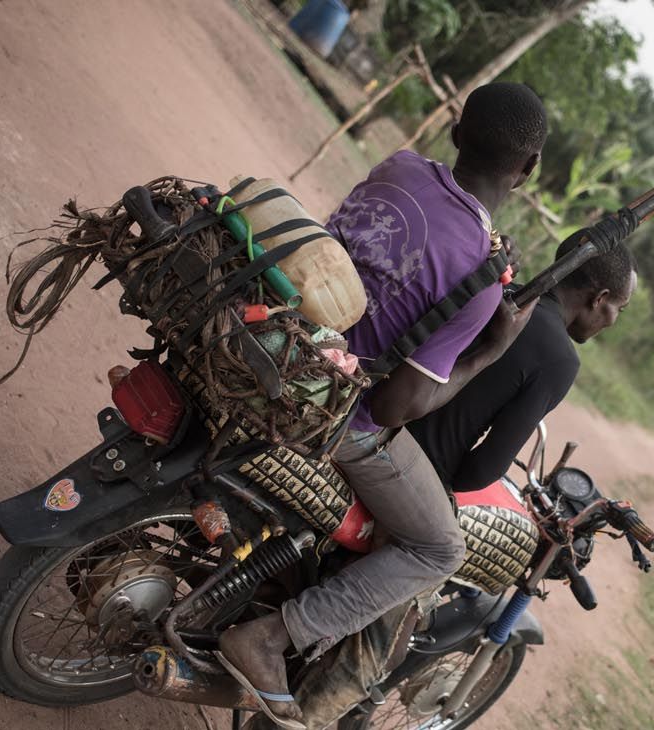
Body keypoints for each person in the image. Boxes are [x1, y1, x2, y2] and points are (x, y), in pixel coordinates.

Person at [216, 82, 548, 726]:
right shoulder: (480, 279)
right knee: (440, 548)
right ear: (527, 170)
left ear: (456, 130)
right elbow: (397, 406)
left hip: (282, 340)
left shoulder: (397, 166)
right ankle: (273, 637)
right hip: (340, 414)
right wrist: (487, 352)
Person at [408, 238, 636, 492]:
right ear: (600, 298)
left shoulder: (494, 289)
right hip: (417, 469)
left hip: (384, 418)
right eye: (621, 309)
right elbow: (485, 469)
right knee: (445, 535)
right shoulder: (560, 359)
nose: (614, 319)